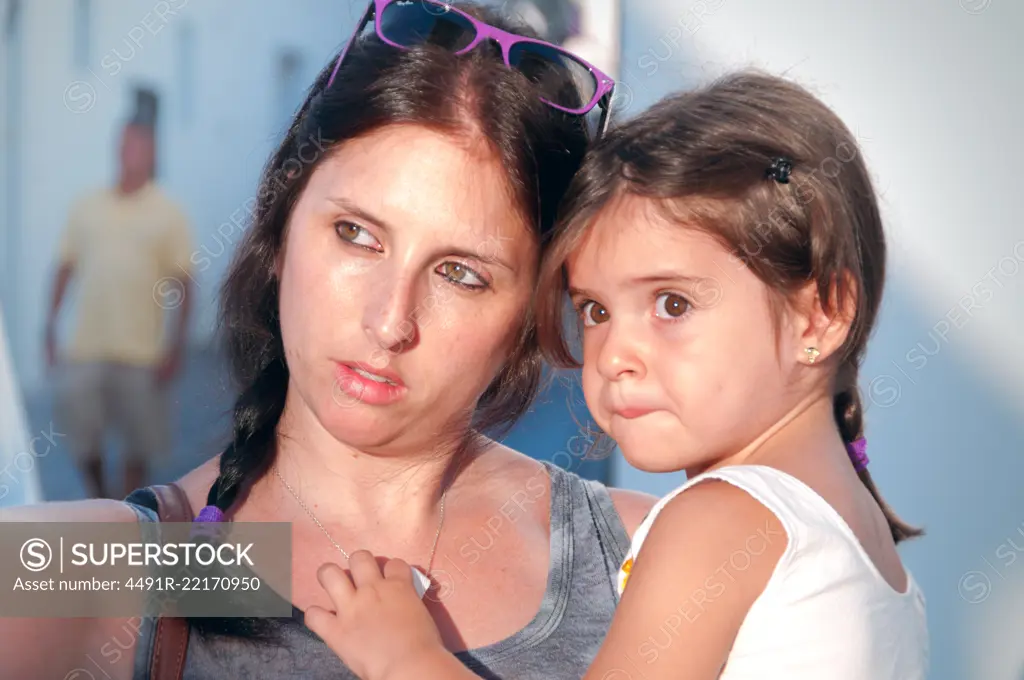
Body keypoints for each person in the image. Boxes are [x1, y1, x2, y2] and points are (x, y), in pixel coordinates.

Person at [0, 2, 653, 679]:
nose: (389, 321)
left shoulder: (651, 558)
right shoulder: (143, 565)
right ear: (281, 225)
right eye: (357, 235)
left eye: (460, 274)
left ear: (532, 314)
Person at [304, 72, 931, 679]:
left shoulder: (711, 523)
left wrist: (404, 659)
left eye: (672, 304)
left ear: (820, 315)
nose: (613, 356)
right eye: (596, 312)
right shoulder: (866, 550)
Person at [45, 119, 194, 499]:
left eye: (139, 147)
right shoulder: (87, 206)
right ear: (116, 148)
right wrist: (48, 328)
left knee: (138, 443)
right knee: (80, 434)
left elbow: (185, 283)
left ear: (152, 155)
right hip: (86, 348)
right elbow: (65, 266)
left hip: (141, 353)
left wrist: (176, 348)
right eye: (125, 145)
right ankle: (99, 496)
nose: (130, 153)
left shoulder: (167, 212)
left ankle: (125, 513)